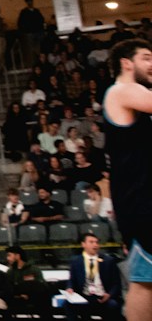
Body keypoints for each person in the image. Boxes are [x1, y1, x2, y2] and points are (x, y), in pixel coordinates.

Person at [104, 36, 152, 321]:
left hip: (142, 199)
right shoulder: (122, 90)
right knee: (145, 282)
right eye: (146, 57)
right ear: (126, 63)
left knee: (147, 279)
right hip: (141, 202)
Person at [69, 232, 126, 321]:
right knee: (68, 304)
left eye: (96, 242)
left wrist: (109, 294)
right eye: (91, 242)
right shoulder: (76, 261)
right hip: (84, 296)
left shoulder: (108, 261)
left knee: (113, 305)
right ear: (83, 244)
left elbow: (116, 283)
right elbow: (72, 280)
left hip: (102, 296)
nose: (95, 245)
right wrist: (70, 288)